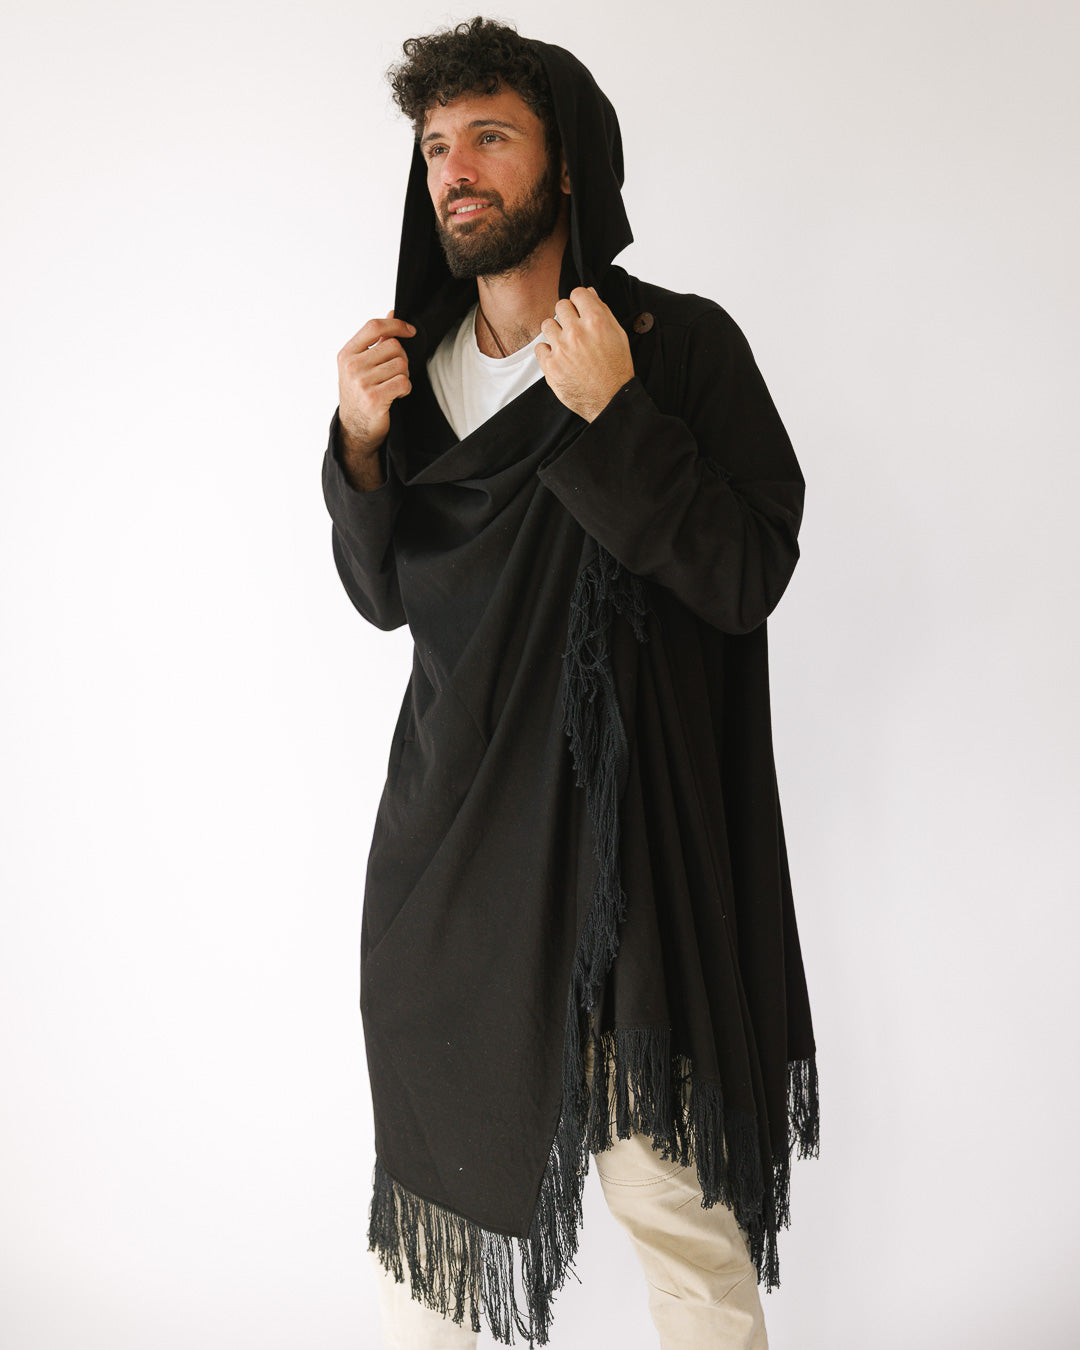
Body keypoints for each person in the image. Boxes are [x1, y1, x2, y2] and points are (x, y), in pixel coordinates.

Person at [321, 17, 819, 1349]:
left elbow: (745, 571)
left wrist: (617, 416)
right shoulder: (406, 376)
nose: (456, 170)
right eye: (437, 145)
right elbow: (381, 597)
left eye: (489, 136)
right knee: (437, 1266)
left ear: (569, 162)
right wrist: (359, 450)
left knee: (681, 1221)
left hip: (633, 868)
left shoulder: (677, 349)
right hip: (456, 867)